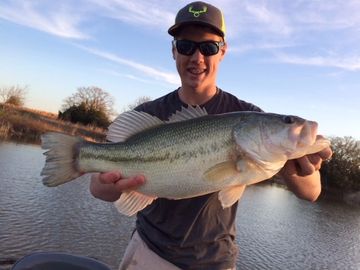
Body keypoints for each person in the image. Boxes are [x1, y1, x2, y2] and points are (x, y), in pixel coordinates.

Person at [90, 2, 332, 269]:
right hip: (149, 251)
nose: (197, 58)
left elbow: (312, 193)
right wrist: (108, 186)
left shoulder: (246, 114)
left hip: (215, 261)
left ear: (223, 51)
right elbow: (98, 188)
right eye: (185, 46)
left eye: (208, 47)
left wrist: (296, 166)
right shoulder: (150, 114)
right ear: (174, 51)